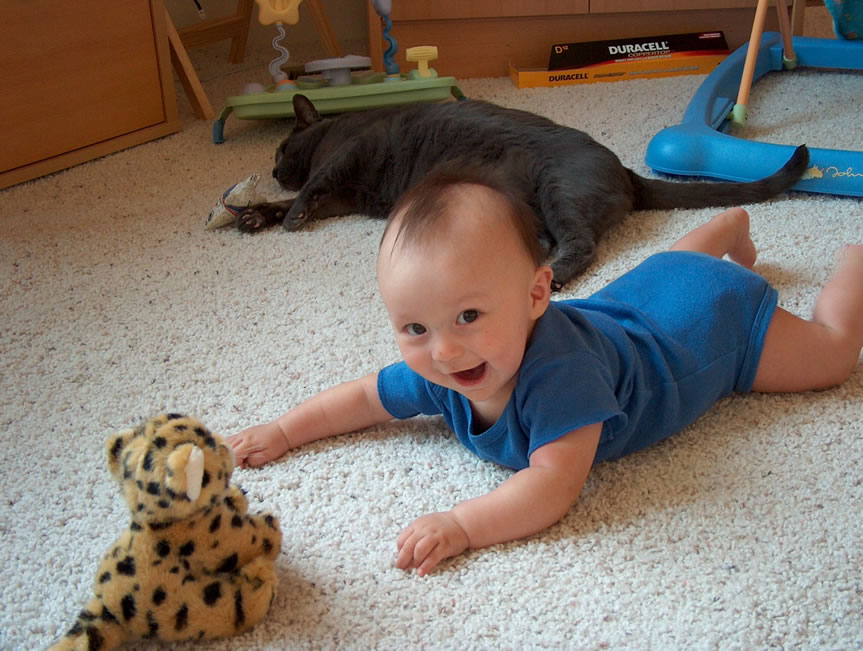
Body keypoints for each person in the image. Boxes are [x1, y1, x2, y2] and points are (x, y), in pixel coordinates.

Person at [228, 165, 863, 577]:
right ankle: (725, 227)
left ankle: (852, 265)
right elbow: (367, 397)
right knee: (657, 275)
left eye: (470, 315)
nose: (444, 351)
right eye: (415, 328)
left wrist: (462, 524)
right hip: (645, 293)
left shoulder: (561, 376)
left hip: (710, 327)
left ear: (538, 296)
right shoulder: (444, 364)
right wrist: (285, 431)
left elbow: (554, 486)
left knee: (833, 356)